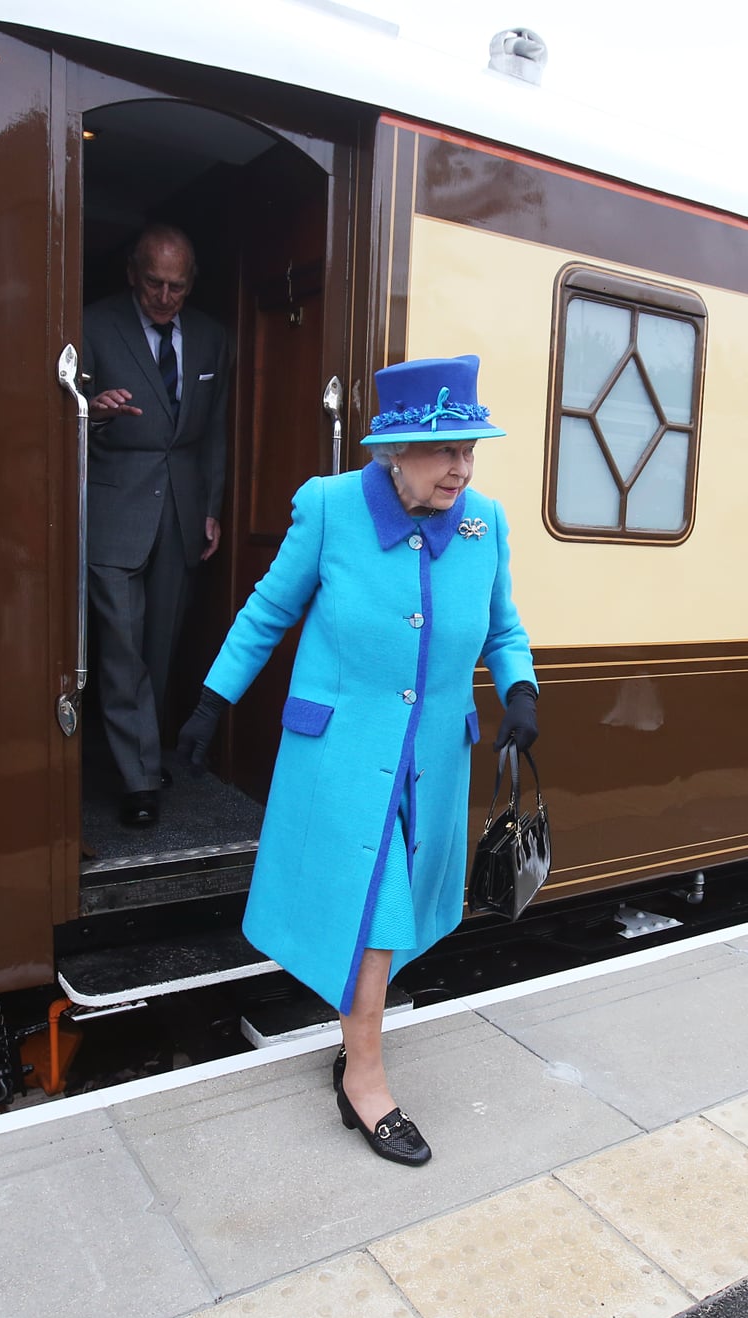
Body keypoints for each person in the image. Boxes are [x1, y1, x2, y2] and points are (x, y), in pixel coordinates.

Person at [172, 356, 538, 1166]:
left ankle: (356, 1037)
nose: (462, 467)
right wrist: (211, 702)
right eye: (445, 451)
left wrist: (520, 691)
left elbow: (505, 629)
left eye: (469, 448)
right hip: (340, 758)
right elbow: (268, 611)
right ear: (393, 452)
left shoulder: (487, 523)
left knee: (393, 917)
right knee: (373, 917)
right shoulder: (331, 508)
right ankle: (366, 1081)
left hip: (434, 762)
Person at [81, 224, 232, 828]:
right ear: (132, 274)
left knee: (160, 645)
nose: (164, 297)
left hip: (182, 510)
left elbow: (215, 432)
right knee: (120, 647)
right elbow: (59, 415)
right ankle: (139, 776)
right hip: (114, 511)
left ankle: (140, 749)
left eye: (176, 286)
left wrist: (212, 506)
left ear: (190, 283)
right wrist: (91, 412)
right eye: (153, 284)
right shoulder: (92, 325)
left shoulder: (214, 338)